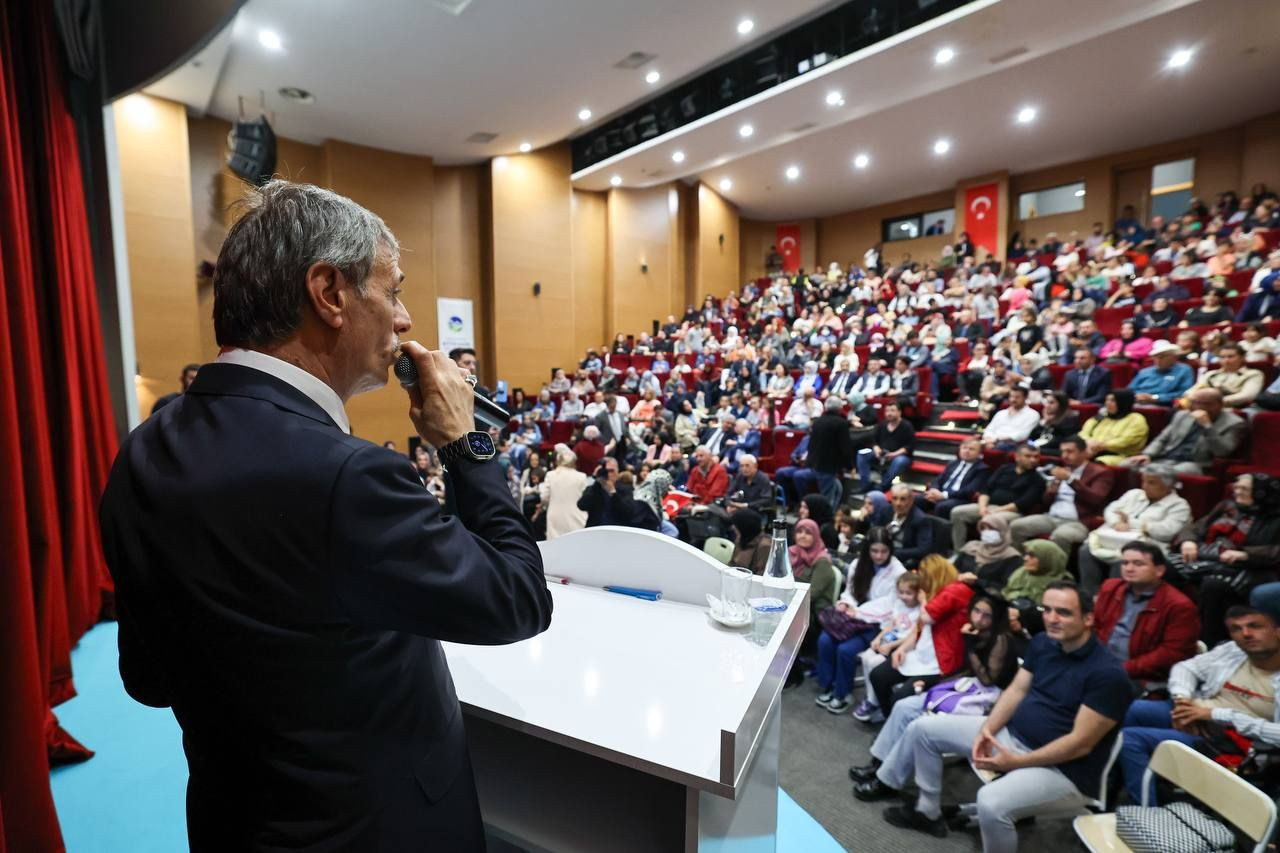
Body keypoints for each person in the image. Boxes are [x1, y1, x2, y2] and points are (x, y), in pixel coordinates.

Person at [99, 181, 553, 851]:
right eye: (392, 290)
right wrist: (466, 443)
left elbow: (148, 679)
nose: (402, 320)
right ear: (330, 293)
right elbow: (518, 598)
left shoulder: (143, 451)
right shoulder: (349, 478)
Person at [868, 583, 1131, 851]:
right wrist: (987, 730)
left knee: (991, 803)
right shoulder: (1044, 643)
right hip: (1013, 737)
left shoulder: (1108, 675)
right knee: (922, 729)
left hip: (1064, 770)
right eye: (1048, 610)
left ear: (1088, 618)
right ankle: (927, 811)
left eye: (1063, 612)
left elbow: (1080, 744)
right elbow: (1017, 690)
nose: (1052, 618)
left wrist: (1017, 762)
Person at [851, 592, 1019, 801]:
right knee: (903, 706)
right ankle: (878, 763)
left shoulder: (1000, 639)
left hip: (987, 703)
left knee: (917, 723)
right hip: (964, 689)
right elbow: (964, 670)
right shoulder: (977, 632)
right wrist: (935, 685)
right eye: (976, 611)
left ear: (996, 618)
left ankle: (886, 780)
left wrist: (969, 645)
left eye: (987, 615)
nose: (979, 619)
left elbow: (987, 679)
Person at [1119, 604, 1280, 805]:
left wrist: (1216, 715)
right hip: (1193, 712)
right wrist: (1182, 702)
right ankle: (1102, 791)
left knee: (1130, 739)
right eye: (1236, 629)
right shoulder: (1233, 651)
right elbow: (1186, 667)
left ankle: (1146, 813)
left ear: (1277, 630)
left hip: (1231, 740)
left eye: (1255, 626)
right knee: (1123, 711)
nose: (1245, 634)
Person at [860, 556, 974, 722]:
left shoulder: (955, 590)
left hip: (940, 661)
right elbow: (920, 628)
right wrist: (901, 649)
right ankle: (890, 719)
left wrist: (923, 600)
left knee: (900, 697)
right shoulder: (940, 590)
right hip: (921, 650)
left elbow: (926, 617)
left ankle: (894, 724)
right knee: (878, 676)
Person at [1174, 473, 1280, 647]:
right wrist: (1188, 541)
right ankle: (1173, 628)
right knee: (1164, 565)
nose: (1236, 491)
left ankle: (1208, 642)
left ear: (1260, 492)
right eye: (1236, 487)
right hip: (1208, 556)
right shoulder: (1227, 505)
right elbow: (1196, 527)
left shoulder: (1274, 516)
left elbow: (1275, 552)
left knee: (1213, 584)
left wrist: (1246, 554)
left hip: (1248, 567)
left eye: (1244, 489)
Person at [814, 528, 907, 713]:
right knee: (824, 641)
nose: (879, 556)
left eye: (883, 551)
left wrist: (858, 612)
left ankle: (842, 694)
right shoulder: (858, 564)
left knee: (845, 650)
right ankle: (828, 684)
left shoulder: (898, 572)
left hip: (877, 624)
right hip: (851, 616)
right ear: (867, 550)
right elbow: (849, 591)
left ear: (890, 550)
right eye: (874, 551)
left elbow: (890, 606)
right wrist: (845, 604)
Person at [1093, 542, 1200, 690]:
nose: (1129, 569)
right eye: (1125, 563)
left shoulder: (1179, 606)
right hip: (1100, 664)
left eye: (1138, 564)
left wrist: (1122, 668)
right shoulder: (1110, 588)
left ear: (1159, 570)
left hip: (1142, 678)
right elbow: (1094, 627)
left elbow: (1171, 654)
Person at [1077, 464, 1192, 592]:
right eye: (1143, 481)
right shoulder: (1134, 494)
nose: (1145, 486)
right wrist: (1116, 523)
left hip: (1146, 546)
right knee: (1086, 550)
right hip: (1114, 538)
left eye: (1151, 483)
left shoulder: (1179, 505)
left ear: (1168, 486)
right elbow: (1111, 510)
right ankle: (1090, 596)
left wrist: (1132, 523)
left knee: (1123, 560)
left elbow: (1167, 532)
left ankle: (1115, 599)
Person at [1008, 436, 1114, 551]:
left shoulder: (1100, 472)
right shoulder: (1062, 470)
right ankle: (1022, 562)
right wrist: (1051, 492)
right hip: (1051, 517)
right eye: (1062, 451)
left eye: (1070, 451)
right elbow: (1046, 502)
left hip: (1077, 521)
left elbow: (1095, 498)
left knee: (1060, 536)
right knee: (1017, 526)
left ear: (1083, 453)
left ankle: (1056, 568)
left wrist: (1071, 480)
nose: (1064, 456)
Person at [950, 444, 1047, 554]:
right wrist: (983, 508)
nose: (1033, 460)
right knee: (957, 512)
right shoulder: (1004, 469)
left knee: (990, 519)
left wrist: (993, 512)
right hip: (989, 506)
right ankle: (959, 552)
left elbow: (1022, 503)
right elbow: (986, 489)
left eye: (1036, 457)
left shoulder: (1038, 479)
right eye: (1028, 456)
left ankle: (986, 556)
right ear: (1017, 457)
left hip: (1013, 512)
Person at [1125, 387, 1245, 474]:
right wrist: (1147, 454)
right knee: (1127, 465)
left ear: (1220, 404)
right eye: (1195, 403)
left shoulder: (1234, 423)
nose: (1198, 407)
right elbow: (1163, 438)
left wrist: (1207, 426)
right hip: (1166, 458)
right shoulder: (1182, 415)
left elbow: (1223, 451)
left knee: (1162, 474)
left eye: (1205, 404)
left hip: (1195, 463)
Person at [862, 483, 934, 569]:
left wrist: (893, 552)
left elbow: (923, 550)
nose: (898, 503)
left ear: (911, 500)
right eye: (895, 498)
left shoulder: (921, 519)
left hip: (902, 562)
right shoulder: (886, 511)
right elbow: (875, 532)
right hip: (880, 555)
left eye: (903, 499)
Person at [855, 401, 915, 493]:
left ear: (899, 412)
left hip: (899, 455)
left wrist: (893, 454)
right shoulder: (882, 424)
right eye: (887, 411)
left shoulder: (907, 426)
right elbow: (873, 440)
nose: (889, 413)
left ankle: (883, 486)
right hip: (881, 453)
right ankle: (865, 484)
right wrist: (876, 449)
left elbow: (909, 447)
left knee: (899, 461)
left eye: (892, 411)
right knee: (862, 453)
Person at [956, 516, 1024, 596]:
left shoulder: (1013, 558)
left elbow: (1005, 588)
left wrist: (976, 581)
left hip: (986, 599)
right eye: (983, 529)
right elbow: (953, 569)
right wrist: (959, 576)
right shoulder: (971, 546)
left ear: (1002, 531)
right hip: (958, 590)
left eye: (991, 529)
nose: (987, 532)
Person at [807, 397, 856, 508]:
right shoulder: (841, 423)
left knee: (837, 489)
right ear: (840, 408)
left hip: (815, 464)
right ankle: (824, 520)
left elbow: (811, 444)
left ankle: (831, 514)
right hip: (828, 466)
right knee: (827, 498)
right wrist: (850, 466)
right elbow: (845, 447)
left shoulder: (817, 421)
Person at [1183, 342, 1266, 408]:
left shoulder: (1254, 374)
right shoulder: (1211, 374)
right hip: (1204, 406)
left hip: (1233, 408)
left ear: (1242, 357)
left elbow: (1247, 396)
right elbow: (1191, 391)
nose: (1226, 360)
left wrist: (1214, 403)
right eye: (1222, 357)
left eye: (1230, 357)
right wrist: (1192, 398)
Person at [1129, 339, 1195, 406]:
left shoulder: (1183, 370)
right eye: (1155, 357)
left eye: (1162, 357)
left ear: (1174, 357)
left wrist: (1156, 398)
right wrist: (1138, 396)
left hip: (1163, 404)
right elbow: (1130, 390)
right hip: (1137, 402)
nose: (1158, 360)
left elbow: (1184, 392)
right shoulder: (1144, 371)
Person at [1029, 390, 1079, 456]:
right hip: (1040, 449)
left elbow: (1059, 443)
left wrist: (1037, 448)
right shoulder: (1046, 418)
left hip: (1054, 452)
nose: (1047, 406)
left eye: (1051, 403)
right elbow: (1032, 438)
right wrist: (1043, 423)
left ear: (1061, 404)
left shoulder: (1069, 421)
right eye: (1047, 402)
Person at [576, 457, 620, 527]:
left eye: (611, 471)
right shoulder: (594, 489)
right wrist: (597, 481)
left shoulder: (624, 488)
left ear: (617, 471)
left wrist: (613, 491)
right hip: (595, 531)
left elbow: (627, 511)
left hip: (615, 531)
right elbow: (582, 505)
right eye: (605, 471)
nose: (608, 474)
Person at [729, 509, 771, 574]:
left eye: (736, 525)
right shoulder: (741, 539)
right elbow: (732, 563)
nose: (733, 528)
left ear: (745, 527)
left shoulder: (765, 546)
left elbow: (761, 575)